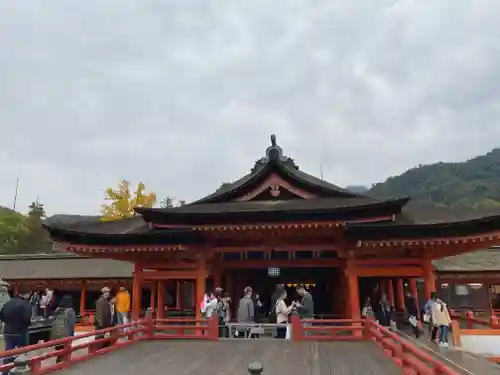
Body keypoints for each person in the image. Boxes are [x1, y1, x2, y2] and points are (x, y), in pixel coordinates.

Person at [0, 287, 31, 375]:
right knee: (21, 352)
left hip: (8, 330)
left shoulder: (9, 302)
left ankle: (5, 371)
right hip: (20, 331)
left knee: (9, 352)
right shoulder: (25, 304)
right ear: (28, 293)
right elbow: (27, 318)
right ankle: (19, 371)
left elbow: (1, 315)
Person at [52, 295, 76, 363]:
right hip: (66, 336)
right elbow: (71, 325)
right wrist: (71, 337)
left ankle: (58, 364)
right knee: (65, 353)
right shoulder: (70, 311)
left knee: (59, 353)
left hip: (57, 335)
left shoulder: (57, 310)